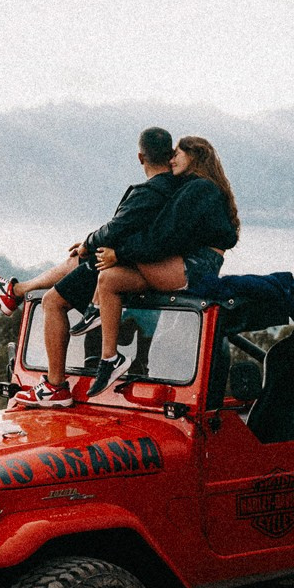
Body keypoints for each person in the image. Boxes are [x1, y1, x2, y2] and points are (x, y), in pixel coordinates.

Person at [0, 127, 177, 407]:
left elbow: (116, 228)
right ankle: (16, 291)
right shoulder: (178, 190)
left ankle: (56, 385)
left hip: (124, 264)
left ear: (140, 157)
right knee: (78, 258)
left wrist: (89, 242)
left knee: (52, 303)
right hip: (136, 260)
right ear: (170, 156)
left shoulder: (150, 192)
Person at [87, 135, 240, 396]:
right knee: (109, 280)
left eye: (177, 154)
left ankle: (93, 309)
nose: (171, 160)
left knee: (115, 246)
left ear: (193, 156)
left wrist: (119, 253)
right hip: (185, 263)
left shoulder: (200, 188)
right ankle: (110, 357)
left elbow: (162, 237)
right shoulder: (196, 188)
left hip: (195, 267)